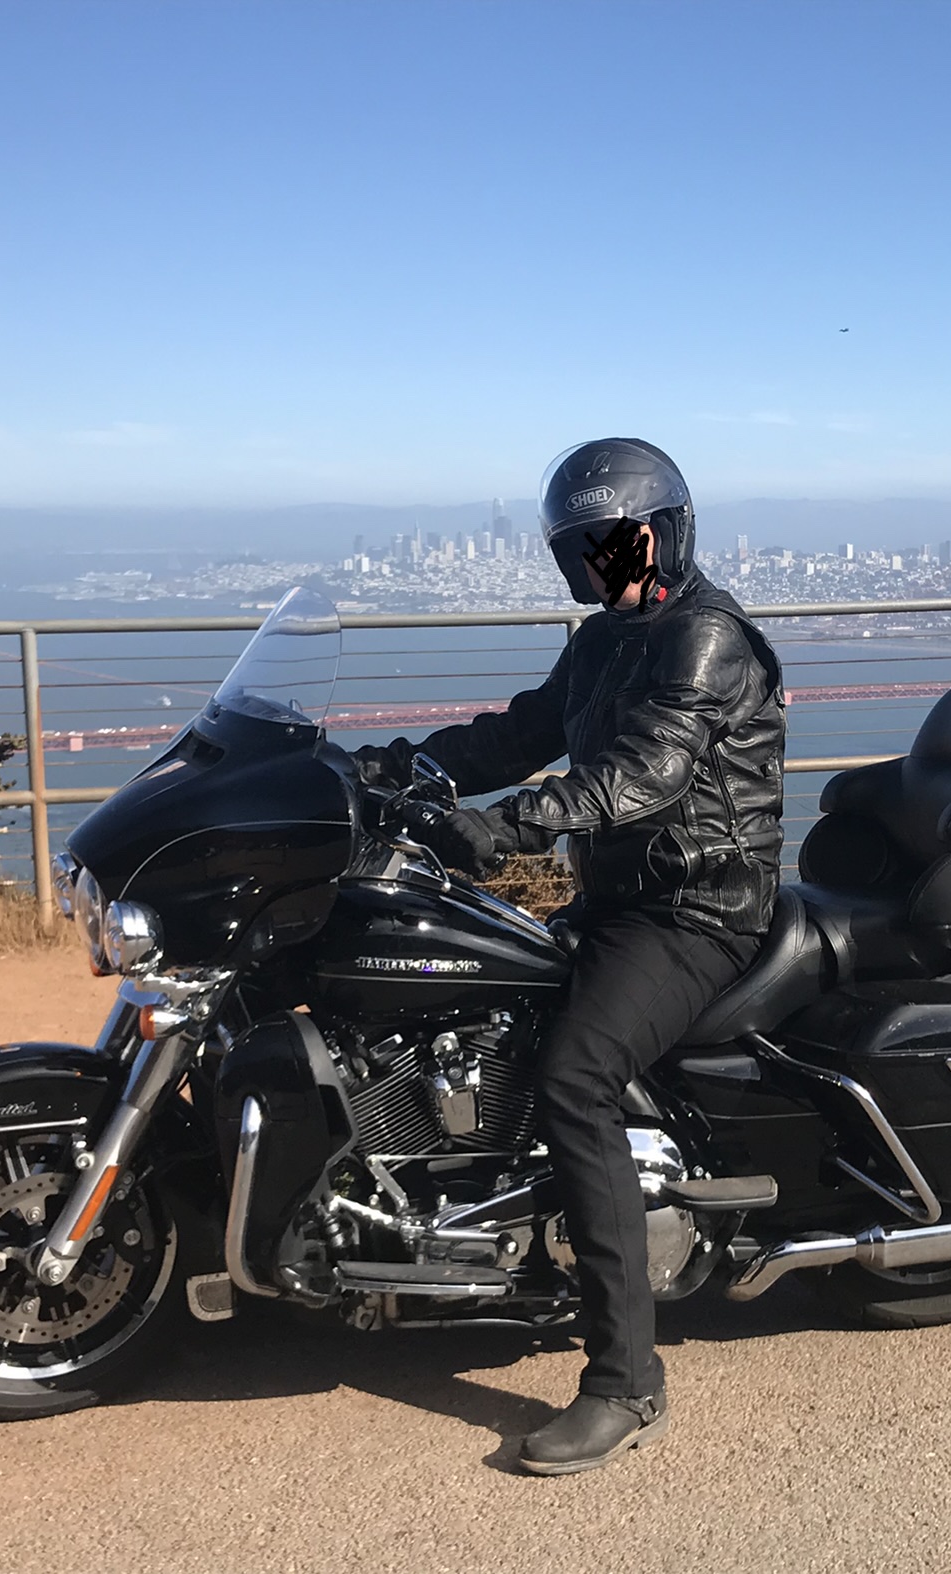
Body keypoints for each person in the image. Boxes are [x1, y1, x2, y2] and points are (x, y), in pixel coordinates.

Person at [353, 438, 786, 1475]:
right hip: (620, 898)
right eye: (583, 548)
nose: (600, 562)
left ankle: (627, 1381)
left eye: (614, 542)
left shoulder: (705, 637)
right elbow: (521, 732)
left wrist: (507, 826)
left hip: (696, 909)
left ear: (663, 533)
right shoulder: (603, 641)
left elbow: (643, 774)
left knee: (575, 1078)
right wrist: (394, 767)